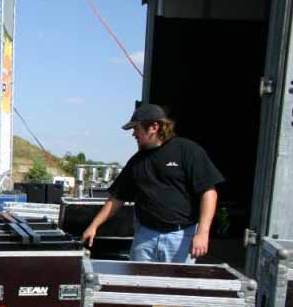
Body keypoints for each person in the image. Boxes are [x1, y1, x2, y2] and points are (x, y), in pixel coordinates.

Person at [81, 104, 224, 263]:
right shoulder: (136, 161)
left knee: (177, 280)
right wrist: (94, 226)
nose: (134, 134)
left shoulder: (187, 150)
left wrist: (202, 233)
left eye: (136, 129)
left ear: (154, 127)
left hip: (180, 238)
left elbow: (209, 193)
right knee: (139, 279)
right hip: (144, 238)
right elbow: (117, 198)